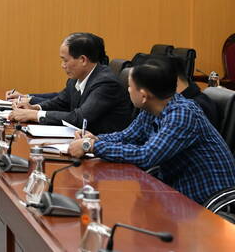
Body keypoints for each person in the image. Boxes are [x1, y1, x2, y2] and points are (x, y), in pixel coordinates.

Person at [68, 60, 235, 205]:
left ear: (143, 95)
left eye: (129, 86)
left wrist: (91, 146)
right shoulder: (154, 106)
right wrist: (93, 139)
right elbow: (127, 136)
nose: (127, 90)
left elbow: (147, 156)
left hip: (206, 198)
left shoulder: (182, 115)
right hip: (175, 191)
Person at [9, 32, 132, 134]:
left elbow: (79, 118)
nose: (62, 65)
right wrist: (34, 107)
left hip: (103, 148)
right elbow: (61, 102)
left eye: (65, 60)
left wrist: (35, 115)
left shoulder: (106, 83)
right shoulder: (77, 78)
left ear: (83, 60)